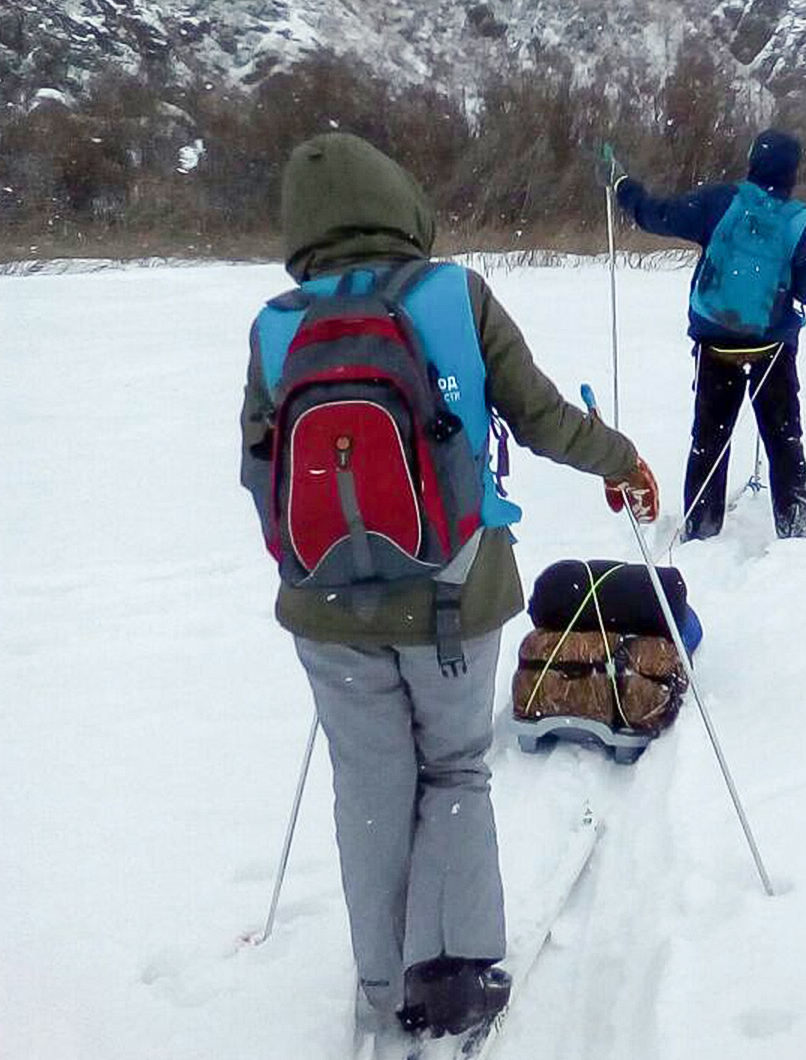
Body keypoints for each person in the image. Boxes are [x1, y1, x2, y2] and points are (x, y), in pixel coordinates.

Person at [239, 133, 658, 1040]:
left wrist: (329, 567)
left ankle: (382, 984)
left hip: (326, 611)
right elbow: (540, 417)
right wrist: (620, 460)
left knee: (369, 790)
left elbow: (258, 468)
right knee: (453, 772)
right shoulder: (454, 295)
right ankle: (457, 978)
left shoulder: (276, 323)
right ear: (402, 202)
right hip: (451, 595)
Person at [613, 129, 806, 540]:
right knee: (784, 439)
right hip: (772, 346)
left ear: (752, 160)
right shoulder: (804, 221)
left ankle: (701, 526)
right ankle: (797, 527)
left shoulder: (720, 202)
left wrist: (625, 188)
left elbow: (657, 215)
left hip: (717, 342)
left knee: (709, 440)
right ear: (793, 172)